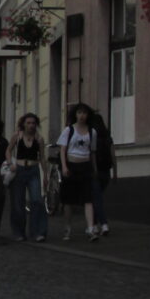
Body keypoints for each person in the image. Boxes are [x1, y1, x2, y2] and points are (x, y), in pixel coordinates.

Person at [59, 103, 98, 241]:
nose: (82, 116)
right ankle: (67, 227)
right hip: (71, 166)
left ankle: (90, 228)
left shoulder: (92, 132)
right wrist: (64, 167)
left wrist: (94, 169)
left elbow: (92, 152)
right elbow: (63, 150)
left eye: (85, 113)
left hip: (85, 166)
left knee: (88, 198)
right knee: (68, 200)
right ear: (75, 114)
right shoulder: (68, 130)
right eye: (80, 113)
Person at [6, 113, 48, 242]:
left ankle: (37, 232)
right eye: (28, 123)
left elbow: (42, 157)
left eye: (33, 123)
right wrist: (10, 163)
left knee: (36, 200)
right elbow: (8, 151)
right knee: (18, 203)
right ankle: (19, 232)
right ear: (23, 124)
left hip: (33, 170)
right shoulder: (17, 136)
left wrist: (45, 174)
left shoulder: (39, 139)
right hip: (19, 170)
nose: (31, 125)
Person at [91, 112, 117, 236]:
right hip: (106, 172)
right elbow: (113, 156)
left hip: (94, 172)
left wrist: (94, 169)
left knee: (96, 199)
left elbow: (93, 155)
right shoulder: (108, 137)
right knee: (97, 198)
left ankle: (103, 224)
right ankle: (95, 225)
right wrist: (116, 173)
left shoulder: (92, 137)